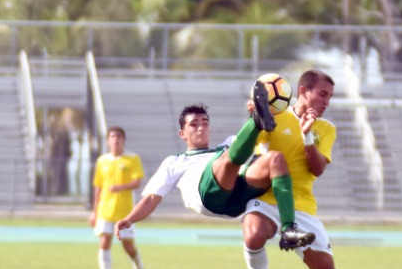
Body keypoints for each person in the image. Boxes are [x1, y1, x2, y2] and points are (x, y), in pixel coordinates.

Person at [241, 69, 379, 269]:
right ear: (303, 90)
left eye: (330, 95)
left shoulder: (326, 128)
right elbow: (255, 141)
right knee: (252, 235)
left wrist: (306, 135)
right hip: (268, 199)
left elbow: (317, 170)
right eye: (323, 94)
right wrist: (255, 114)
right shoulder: (275, 115)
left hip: (302, 207)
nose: (327, 101)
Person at [114, 82, 315, 253]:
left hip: (237, 200)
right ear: (182, 133)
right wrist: (129, 220)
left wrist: (285, 112)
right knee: (227, 157)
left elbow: (254, 144)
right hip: (208, 198)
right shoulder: (175, 161)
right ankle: (256, 121)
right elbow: (151, 198)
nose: (201, 127)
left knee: (275, 159)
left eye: (205, 122)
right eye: (194, 124)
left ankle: (289, 230)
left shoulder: (227, 144)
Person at [89, 126, 146, 269]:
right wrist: (94, 212)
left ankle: (139, 268)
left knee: (128, 246)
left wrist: (120, 187)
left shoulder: (132, 158)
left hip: (125, 211)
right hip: (105, 210)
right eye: (112, 136)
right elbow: (98, 187)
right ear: (108, 140)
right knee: (104, 241)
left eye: (118, 136)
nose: (115, 139)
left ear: (123, 139)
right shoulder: (102, 161)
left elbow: (137, 182)